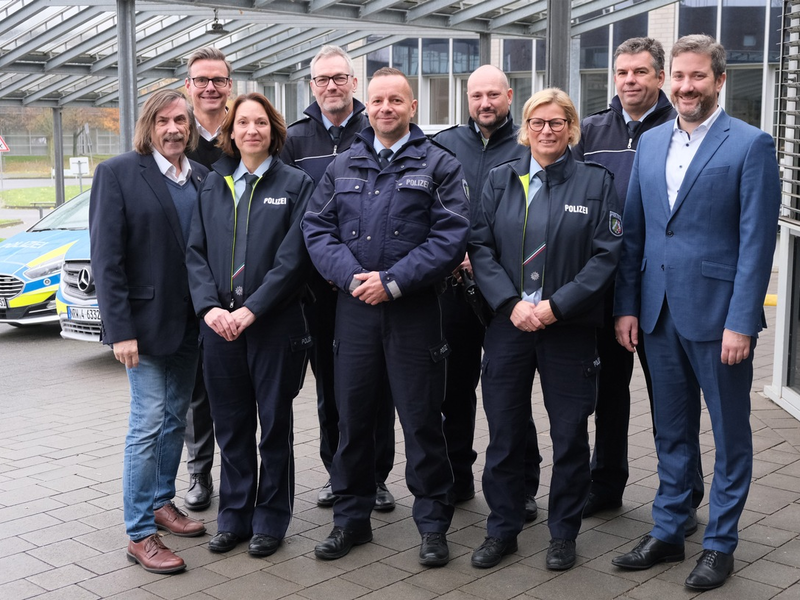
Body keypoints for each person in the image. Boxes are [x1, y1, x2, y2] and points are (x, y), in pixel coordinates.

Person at [612, 35, 780, 591]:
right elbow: (634, 234)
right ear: (668, 80)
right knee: (670, 429)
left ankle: (720, 543)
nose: (686, 87)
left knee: (730, 434)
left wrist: (741, 320)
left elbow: (757, 243)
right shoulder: (652, 142)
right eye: (679, 77)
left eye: (698, 77)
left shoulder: (750, 145)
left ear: (719, 80)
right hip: (657, 314)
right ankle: (668, 529)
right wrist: (627, 306)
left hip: (718, 319)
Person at [303, 67, 469, 566]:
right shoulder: (344, 165)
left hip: (413, 312)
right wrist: (355, 278)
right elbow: (316, 229)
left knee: (421, 421)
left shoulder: (439, 165)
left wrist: (393, 281)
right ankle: (350, 522)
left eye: (396, 100)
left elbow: (451, 234)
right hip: (354, 313)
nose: (385, 109)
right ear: (367, 106)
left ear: (412, 107)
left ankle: (434, 525)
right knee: (353, 421)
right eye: (377, 101)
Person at [469, 88, 622, 571]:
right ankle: (503, 527)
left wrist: (558, 306)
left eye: (557, 123)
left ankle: (563, 533)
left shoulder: (596, 183)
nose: (547, 131)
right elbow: (481, 247)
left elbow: (606, 257)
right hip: (509, 326)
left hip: (568, 328)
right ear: (526, 128)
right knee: (505, 431)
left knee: (570, 433)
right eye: (537, 122)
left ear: (572, 128)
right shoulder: (500, 180)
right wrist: (510, 303)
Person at [573, 37, 703, 527]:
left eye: (641, 72)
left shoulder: (680, 128)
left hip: (660, 288)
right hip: (602, 286)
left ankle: (684, 494)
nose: (630, 80)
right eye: (622, 72)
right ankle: (605, 483)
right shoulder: (590, 130)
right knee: (607, 391)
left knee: (671, 395)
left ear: (660, 77)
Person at [186, 93, 315, 558]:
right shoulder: (213, 183)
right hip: (219, 328)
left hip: (272, 326)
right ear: (231, 131)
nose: (251, 130)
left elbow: (292, 260)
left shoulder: (296, 184)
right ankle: (234, 517)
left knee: (273, 427)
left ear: (273, 130)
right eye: (243, 123)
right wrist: (209, 308)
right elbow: (195, 253)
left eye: (260, 122)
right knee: (231, 427)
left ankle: (270, 520)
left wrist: (252, 309)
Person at [90, 89, 208, 574]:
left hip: (190, 326)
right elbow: (107, 259)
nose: (174, 128)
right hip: (142, 328)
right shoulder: (118, 174)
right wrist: (120, 330)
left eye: (181, 119)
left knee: (176, 419)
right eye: (164, 120)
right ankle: (140, 532)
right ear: (148, 125)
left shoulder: (201, 176)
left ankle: (163, 500)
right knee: (148, 423)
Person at [281, 45, 395, 512]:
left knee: (381, 386)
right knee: (331, 387)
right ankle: (338, 472)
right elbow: (295, 218)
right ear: (312, 86)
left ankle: (378, 476)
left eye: (339, 78)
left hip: (374, 287)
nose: (331, 86)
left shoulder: (378, 128)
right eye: (322, 79)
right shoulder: (294, 140)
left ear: (354, 82)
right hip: (319, 290)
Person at [432, 65, 541, 516]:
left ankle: (522, 485)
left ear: (510, 96)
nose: (484, 104)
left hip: (506, 293)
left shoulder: (529, 145)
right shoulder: (444, 145)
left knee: (508, 393)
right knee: (453, 391)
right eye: (477, 95)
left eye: (493, 95)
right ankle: (456, 479)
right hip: (452, 290)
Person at [180, 46, 233, 511]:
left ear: (229, 86)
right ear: (189, 86)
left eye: (218, 80)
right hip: (192, 280)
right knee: (197, 388)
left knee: (238, 387)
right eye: (202, 80)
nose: (210, 88)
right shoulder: (176, 136)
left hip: (241, 281)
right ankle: (199, 474)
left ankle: (241, 475)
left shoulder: (244, 133)